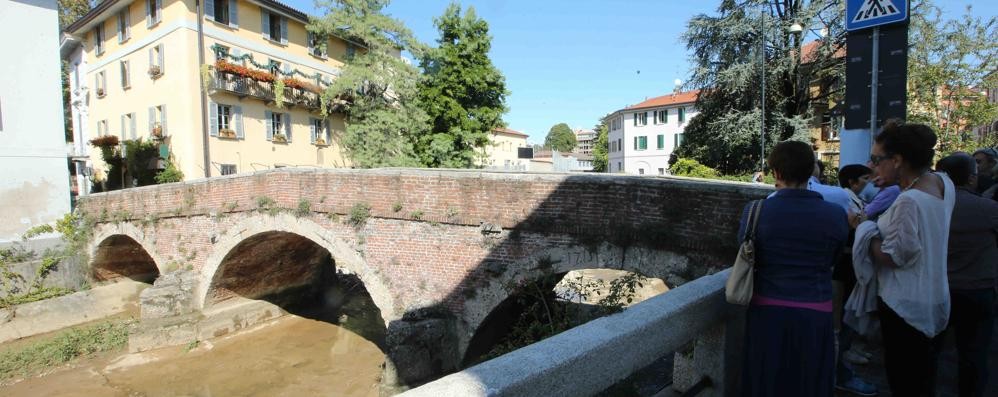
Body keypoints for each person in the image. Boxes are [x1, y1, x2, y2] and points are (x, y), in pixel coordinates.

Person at [739, 141, 848, 397]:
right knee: (809, 382)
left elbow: (746, 253)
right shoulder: (836, 215)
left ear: (776, 172)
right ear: (812, 171)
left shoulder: (755, 211)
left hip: (767, 312)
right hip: (815, 311)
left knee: (767, 381)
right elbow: (834, 259)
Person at [867, 121, 955, 397]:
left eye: (876, 160)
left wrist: (867, 234)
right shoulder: (944, 183)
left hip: (905, 307)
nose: (871, 166)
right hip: (937, 301)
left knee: (905, 381)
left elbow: (894, 256)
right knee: (925, 378)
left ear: (897, 160)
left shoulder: (909, 201)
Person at [936, 152, 998, 397]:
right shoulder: (988, 208)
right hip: (978, 289)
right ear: (972, 178)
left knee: (932, 352)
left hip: (940, 288)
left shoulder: (933, 207)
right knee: (975, 355)